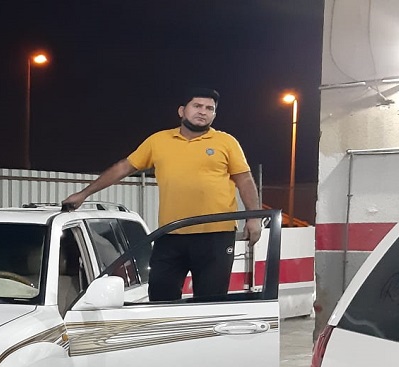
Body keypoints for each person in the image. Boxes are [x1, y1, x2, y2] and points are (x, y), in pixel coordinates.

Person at [62, 88, 262, 301]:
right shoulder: (158, 141)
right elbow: (123, 168)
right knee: (160, 298)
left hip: (216, 235)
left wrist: (254, 217)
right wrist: (84, 194)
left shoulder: (226, 142)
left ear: (214, 115)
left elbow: (245, 180)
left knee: (210, 301)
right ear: (182, 111)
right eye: (197, 106)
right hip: (171, 233)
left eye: (209, 108)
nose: (203, 112)